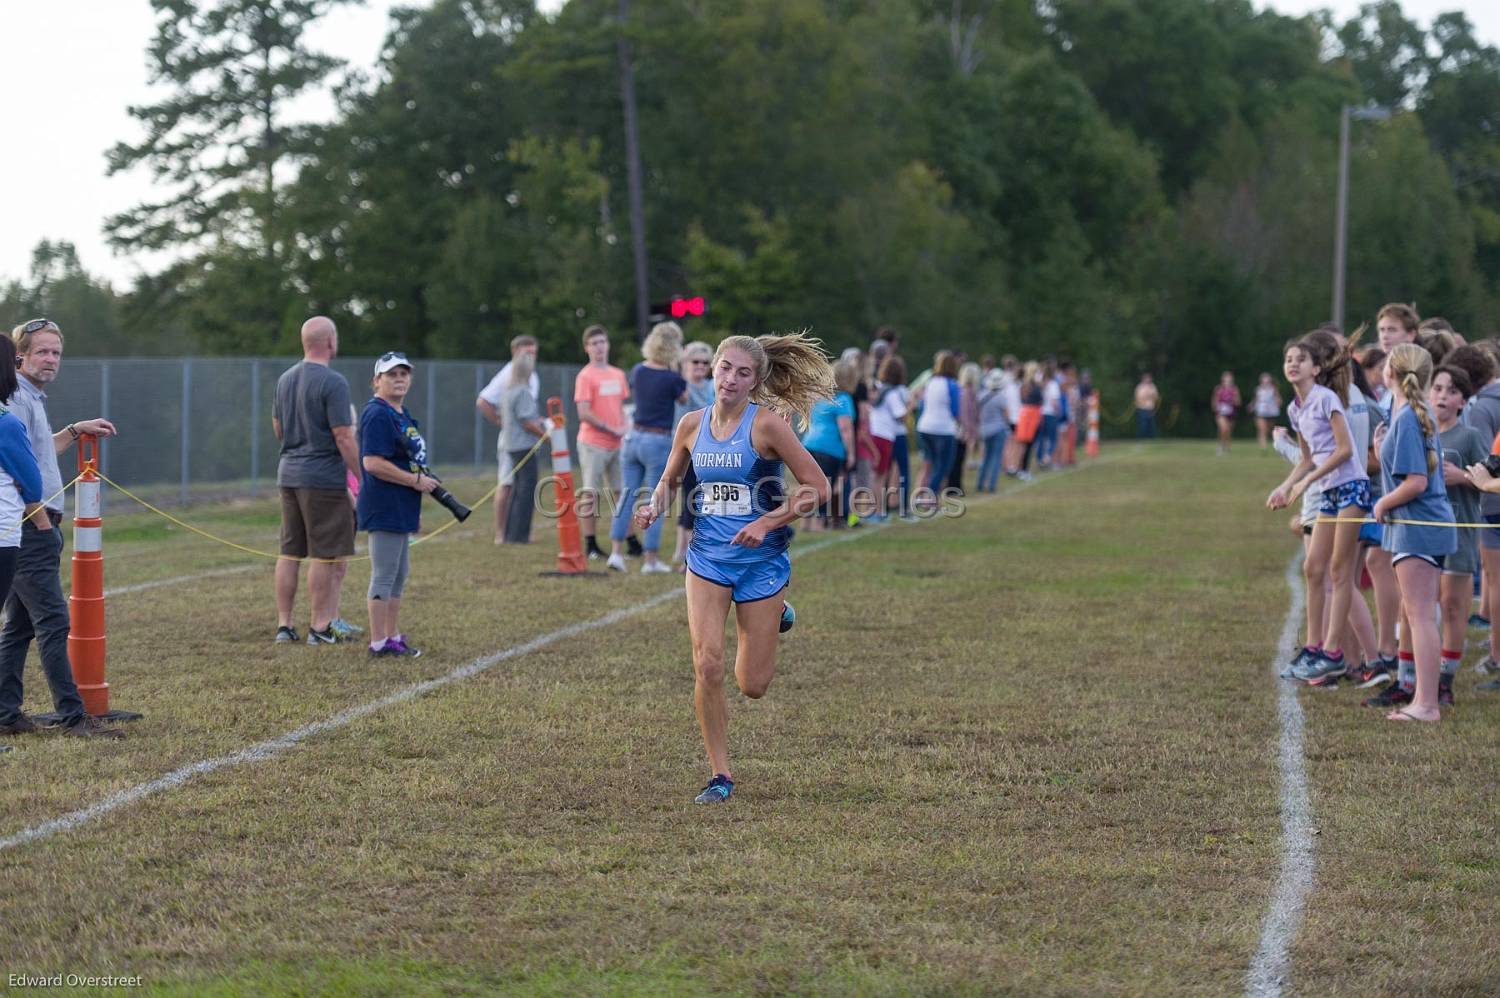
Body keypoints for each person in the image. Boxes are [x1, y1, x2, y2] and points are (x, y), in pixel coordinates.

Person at [634, 332, 834, 804]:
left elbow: (817, 487)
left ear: (756, 380)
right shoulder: (690, 424)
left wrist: (768, 522)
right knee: (708, 665)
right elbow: (670, 478)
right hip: (706, 559)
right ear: (711, 368)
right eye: (725, 367)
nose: (731, 378)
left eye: (743, 372)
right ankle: (720, 775)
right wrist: (653, 506)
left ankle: (777, 608)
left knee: (754, 685)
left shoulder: (767, 426)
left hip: (761, 563)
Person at [0, 319, 123, 739]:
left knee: (19, 627)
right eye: (42, 352)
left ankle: (6, 713)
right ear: (20, 356)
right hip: (29, 526)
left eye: (56, 352)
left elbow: (35, 449)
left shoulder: (31, 397)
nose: (50, 359)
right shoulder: (15, 396)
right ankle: (73, 717)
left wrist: (73, 431)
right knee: (54, 621)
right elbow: (14, 466)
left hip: (34, 525)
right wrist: (38, 520)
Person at [1267, 330, 1370, 686]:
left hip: (1350, 487)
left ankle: (1332, 653)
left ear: (1315, 368)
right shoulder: (1295, 409)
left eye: (1300, 359)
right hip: (1326, 489)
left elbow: (1344, 451)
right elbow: (1308, 459)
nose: (1293, 364)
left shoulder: (1327, 399)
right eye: (1288, 359)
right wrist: (1285, 486)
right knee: (1314, 567)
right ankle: (1313, 648)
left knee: (1341, 571)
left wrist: (1306, 483)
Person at [1371, 343, 1455, 722]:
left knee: (1420, 615)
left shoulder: (1408, 417)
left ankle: (1426, 704)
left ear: (1391, 372)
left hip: (1419, 526)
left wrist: (1384, 503)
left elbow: (1417, 481)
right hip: (1423, 526)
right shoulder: (1408, 414)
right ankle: (1423, 699)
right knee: (1417, 612)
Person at [273, 316, 359, 646]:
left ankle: (285, 625)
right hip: (322, 479)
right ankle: (321, 626)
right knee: (325, 553)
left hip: (288, 474)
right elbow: (343, 436)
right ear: (330, 342)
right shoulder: (333, 381)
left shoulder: (284, 379)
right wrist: (363, 477)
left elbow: (278, 428)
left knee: (290, 551)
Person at [356, 352, 436, 658]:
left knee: (399, 573)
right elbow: (373, 463)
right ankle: (379, 641)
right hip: (384, 504)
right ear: (377, 381)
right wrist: (414, 481)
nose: (399, 378)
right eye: (391, 374)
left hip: (402, 503)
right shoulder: (377, 413)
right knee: (385, 573)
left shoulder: (400, 413)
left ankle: (391, 634)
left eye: (404, 373)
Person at [609, 322, 686, 572]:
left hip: (633, 438)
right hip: (657, 440)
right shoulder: (672, 378)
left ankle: (616, 554)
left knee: (626, 497)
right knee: (656, 500)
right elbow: (684, 398)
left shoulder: (638, 370)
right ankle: (650, 560)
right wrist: (676, 368)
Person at [1430, 365, 1486, 706]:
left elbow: (1488, 480)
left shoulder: (1469, 437)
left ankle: (1445, 680)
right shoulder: (1421, 433)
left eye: (1450, 391)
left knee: (1452, 607)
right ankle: (1415, 675)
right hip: (1424, 533)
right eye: (1436, 388)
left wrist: (1463, 476)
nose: (1441, 396)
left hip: (1460, 531)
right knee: (1421, 607)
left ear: (1463, 401)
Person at [573, 325, 631, 561]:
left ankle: (630, 540)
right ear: (587, 348)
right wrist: (610, 428)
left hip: (617, 444)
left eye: (602, 342)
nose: (599, 347)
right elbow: (583, 412)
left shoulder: (617, 374)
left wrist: (625, 425)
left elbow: (621, 407)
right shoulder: (585, 375)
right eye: (594, 343)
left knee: (622, 493)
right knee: (591, 494)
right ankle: (591, 544)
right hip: (593, 443)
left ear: (608, 344)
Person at [477, 334, 540, 544]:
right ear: (515, 352)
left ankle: (514, 531)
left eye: (533, 352)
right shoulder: (508, 375)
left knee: (518, 485)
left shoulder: (532, 376)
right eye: (527, 352)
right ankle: (501, 532)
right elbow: (483, 401)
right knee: (506, 484)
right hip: (513, 441)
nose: (531, 356)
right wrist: (502, 422)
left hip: (522, 439)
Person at [673, 341, 716, 571]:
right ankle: (683, 552)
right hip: (683, 450)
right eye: (695, 361)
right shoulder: (680, 386)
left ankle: (686, 554)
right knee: (689, 501)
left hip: (704, 450)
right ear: (685, 363)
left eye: (705, 362)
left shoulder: (713, 387)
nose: (700, 366)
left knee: (694, 501)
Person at [799, 358, 857, 531]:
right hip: (830, 449)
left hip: (809, 444)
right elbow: (845, 429)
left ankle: (805, 522)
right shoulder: (843, 399)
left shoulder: (819, 396)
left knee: (808, 486)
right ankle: (819, 523)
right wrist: (851, 453)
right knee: (824, 487)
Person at [500, 349, 548, 544]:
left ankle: (510, 533)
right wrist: (546, 435)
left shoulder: (508, 391)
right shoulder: (522, 392)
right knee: (526, 492)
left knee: (517, 490)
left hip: (512, 445)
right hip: (524, 447)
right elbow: (527, 421)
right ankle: (520, 535)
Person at [869, 354, 911, 520]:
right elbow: (900, 416)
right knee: (880, 476)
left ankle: (876, 510)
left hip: (873, 433)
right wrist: (911, 404)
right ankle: (877, 512)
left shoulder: (878, 388)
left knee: (875, 475)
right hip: (885, 436)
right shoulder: (893, 393)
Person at [915, 351, 961, 501]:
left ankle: (918, 496)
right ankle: (929, 499)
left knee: (928, 463)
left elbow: (921, 403)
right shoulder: (952, 385)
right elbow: (955, 411)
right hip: (942, 429)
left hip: (924, 427)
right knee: (942, 466)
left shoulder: (930, 382)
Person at [976, 367, 1009, 492]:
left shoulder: (981, 394)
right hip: (998, 429)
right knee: (996, 457)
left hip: (984, 429)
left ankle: (979, 483)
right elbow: (1006, 415)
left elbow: (977, 413)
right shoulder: (1001, 397)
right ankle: (992, 485)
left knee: (985, 457)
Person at [1212, 371, 1242, 456]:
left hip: (1231, 414)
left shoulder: (1234, 389)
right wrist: (1217, 407)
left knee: (1228, 432)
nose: (1228, 381)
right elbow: (1215, 401)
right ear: (1223, 380)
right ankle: (1220, 447)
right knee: (1223, 429)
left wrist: (1232, 400)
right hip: (1221, 413)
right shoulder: (1219, 389)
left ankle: (1226, 447)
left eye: (1230, 379)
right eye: (1226, 379)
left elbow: (1239, 402)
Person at [1252, 373, 1281, 449]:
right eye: (1264, 381)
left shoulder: (1273, 389)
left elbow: (1278, 399)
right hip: (1260, 411)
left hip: (1271, 412)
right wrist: (1251, 406)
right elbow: (1256, 400)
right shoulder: (1258, 389)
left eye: (1267, 381)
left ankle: (1263, 440)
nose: (1265, 383)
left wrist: (1278, 402)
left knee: (1268, 429)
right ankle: (1263, 446)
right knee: (1262, 429)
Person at [1134, 373, 1160, 439]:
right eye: (1147, 378)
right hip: (1142, 409)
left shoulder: (1153, 386)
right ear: (1143, 379)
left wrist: (1151, 397)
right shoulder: (1139, 387)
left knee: (1152, 426)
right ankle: (1141, 439)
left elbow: (1156, 397)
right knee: (1143, 426)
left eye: (1149, 378)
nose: (1148, 380)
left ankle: (1152, 439)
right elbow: (1138, 398)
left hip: (1151, 408)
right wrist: (1147, 395)